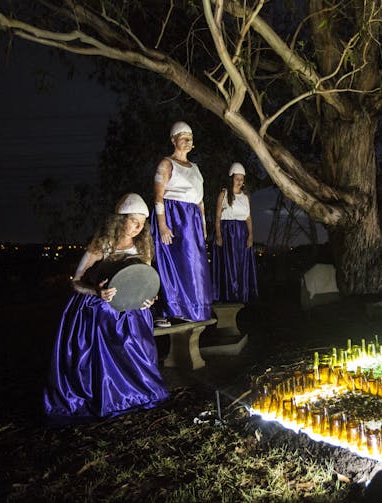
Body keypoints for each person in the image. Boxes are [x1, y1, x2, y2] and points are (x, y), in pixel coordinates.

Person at [43, 193, 168, 424]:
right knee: (104, 326)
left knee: (136, 337)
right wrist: (97, 293)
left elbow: (146, 282)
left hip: (132, 309)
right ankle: (108, 395)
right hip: (100, 306)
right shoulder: (102, 244)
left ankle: (135, 393)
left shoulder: (143, 246)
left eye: (142, 222)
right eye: (133, 220)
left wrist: (149, 298)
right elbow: (76, 281)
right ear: (120, 220)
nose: (138, 227)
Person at [152, 121, 212, 324]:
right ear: (173, 140)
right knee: (172, 264)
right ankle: (169, 310)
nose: (188, 141)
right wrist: (162, 225)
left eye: (190, 137)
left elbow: (200, 200)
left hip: (192, 219)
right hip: (174, 217)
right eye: (183, 137)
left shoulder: (195, 168)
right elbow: (158, 196)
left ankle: (193, 309)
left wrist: (203, 226)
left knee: (194, 265)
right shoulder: (166, 164)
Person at [212, 162, 258, 303]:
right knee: (229, 264)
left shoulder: (245, 196)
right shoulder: (224, 194)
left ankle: (241, 295)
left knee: (241, 265)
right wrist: (219, 235)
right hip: (228, 232)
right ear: (231, 178)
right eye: (237, 178)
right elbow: (218, 217)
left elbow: (248, 218)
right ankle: (228, 295)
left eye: (241, 179)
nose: (239, 181)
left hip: (242, 233)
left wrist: (251, 235)